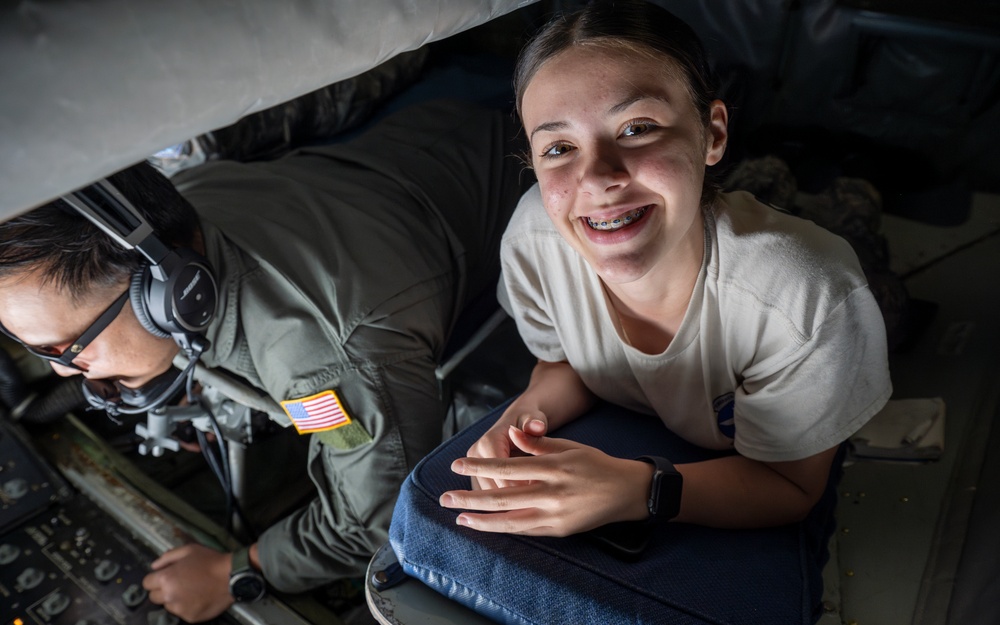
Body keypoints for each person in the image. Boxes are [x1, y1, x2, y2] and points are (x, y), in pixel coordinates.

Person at [0, 98, 529, 622]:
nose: (63, 371)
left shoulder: (329, 361)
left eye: (66, 347)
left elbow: (379, 523)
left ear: (171, 295)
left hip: (506, 170)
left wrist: (231, 572)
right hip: (442, 132)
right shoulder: (173, 216)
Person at [440, 0, 891, 549]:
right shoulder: (536, 239)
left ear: (713, 132)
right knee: (760, 180)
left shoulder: (807, 298)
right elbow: (564, 364)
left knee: (865, 240)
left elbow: (790, 485)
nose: (598, 177)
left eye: (637, 128)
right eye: (559, 148)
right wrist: (524, 418)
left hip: (780, 257)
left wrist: (640, 489)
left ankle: (853, 175)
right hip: (689, 208)